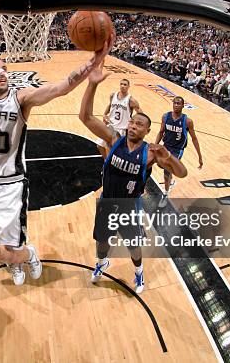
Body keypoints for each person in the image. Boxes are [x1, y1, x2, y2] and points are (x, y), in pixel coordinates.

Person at [0, 39, 112, 285]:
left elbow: (61, 88)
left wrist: (92, 63)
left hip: (9, 185)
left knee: (10, 246)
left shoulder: (20, 98)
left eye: (4, 68)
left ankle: (22, 257)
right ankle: (18, 257)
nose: (2, 72)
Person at [79, 60, 187, 293]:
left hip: (130, 206)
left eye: (139, 124)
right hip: (107, 200)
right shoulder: (113, 139)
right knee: (102, 241)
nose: (134, 126)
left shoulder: (151, 153)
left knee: (133, 245)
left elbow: (182, 172)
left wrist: (168, 156)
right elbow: (85, 117)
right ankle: (101, 263)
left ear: (147, 131)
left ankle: (138, 272)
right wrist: (92, 85)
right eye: (133, 122)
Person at [154, 96, 203, 208]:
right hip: (165, 146)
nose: (176, 105)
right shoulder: (165, 116)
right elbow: (161, 132)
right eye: (175, 103)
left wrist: (199, 156)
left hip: (177, 150)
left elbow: (194, 139)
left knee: (167, 171)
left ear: (183, 105)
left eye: (178, 103)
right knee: (157, 163)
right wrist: (155, 144)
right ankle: (170, 179)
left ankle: (165, 194)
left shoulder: (187, 121)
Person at [97, 79, 141, 159]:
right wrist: (104, 114)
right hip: (110, 125)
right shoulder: (113, 95)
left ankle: (111, 166)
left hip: (122, 129)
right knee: (100, 146)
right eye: (121, 84)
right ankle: (106, 162)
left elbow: (140, 113)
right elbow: (110, 105)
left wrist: (134, 122)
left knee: (115, 152)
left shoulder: (131, 100)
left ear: (128, 87)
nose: (123, 86)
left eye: (125, 85)